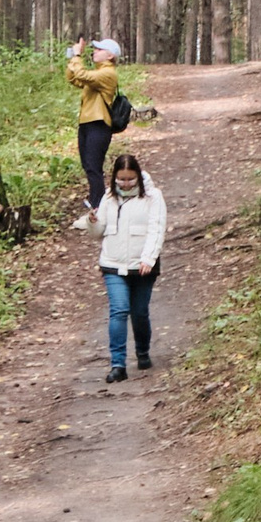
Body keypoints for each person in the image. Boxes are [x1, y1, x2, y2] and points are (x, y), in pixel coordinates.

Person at [94, 152, 164, 383]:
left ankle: (142, 351)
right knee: (119, 310)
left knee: (139, 311)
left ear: (138, 177)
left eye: (130, 179)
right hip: (112, 263)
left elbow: (157, 228)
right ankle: (118, 364)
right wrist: (91, 223)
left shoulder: (153, 197)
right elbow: (99, 233)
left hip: (143, 265)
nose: (125, 184)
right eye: (121, 179)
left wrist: (148, 258)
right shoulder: (109, 197)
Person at [66, 38, 122, 230]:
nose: (95, 51)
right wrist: (72, 58)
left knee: (94, 168)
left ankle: (97, 210)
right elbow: (73, 78)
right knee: (88, 166)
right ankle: (97, 207)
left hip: (99, 125)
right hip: (87, 124)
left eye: (100, 49)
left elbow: (80, 72)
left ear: (110, 55)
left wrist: (77, 56)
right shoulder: (98, 73)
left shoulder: (107, 73)